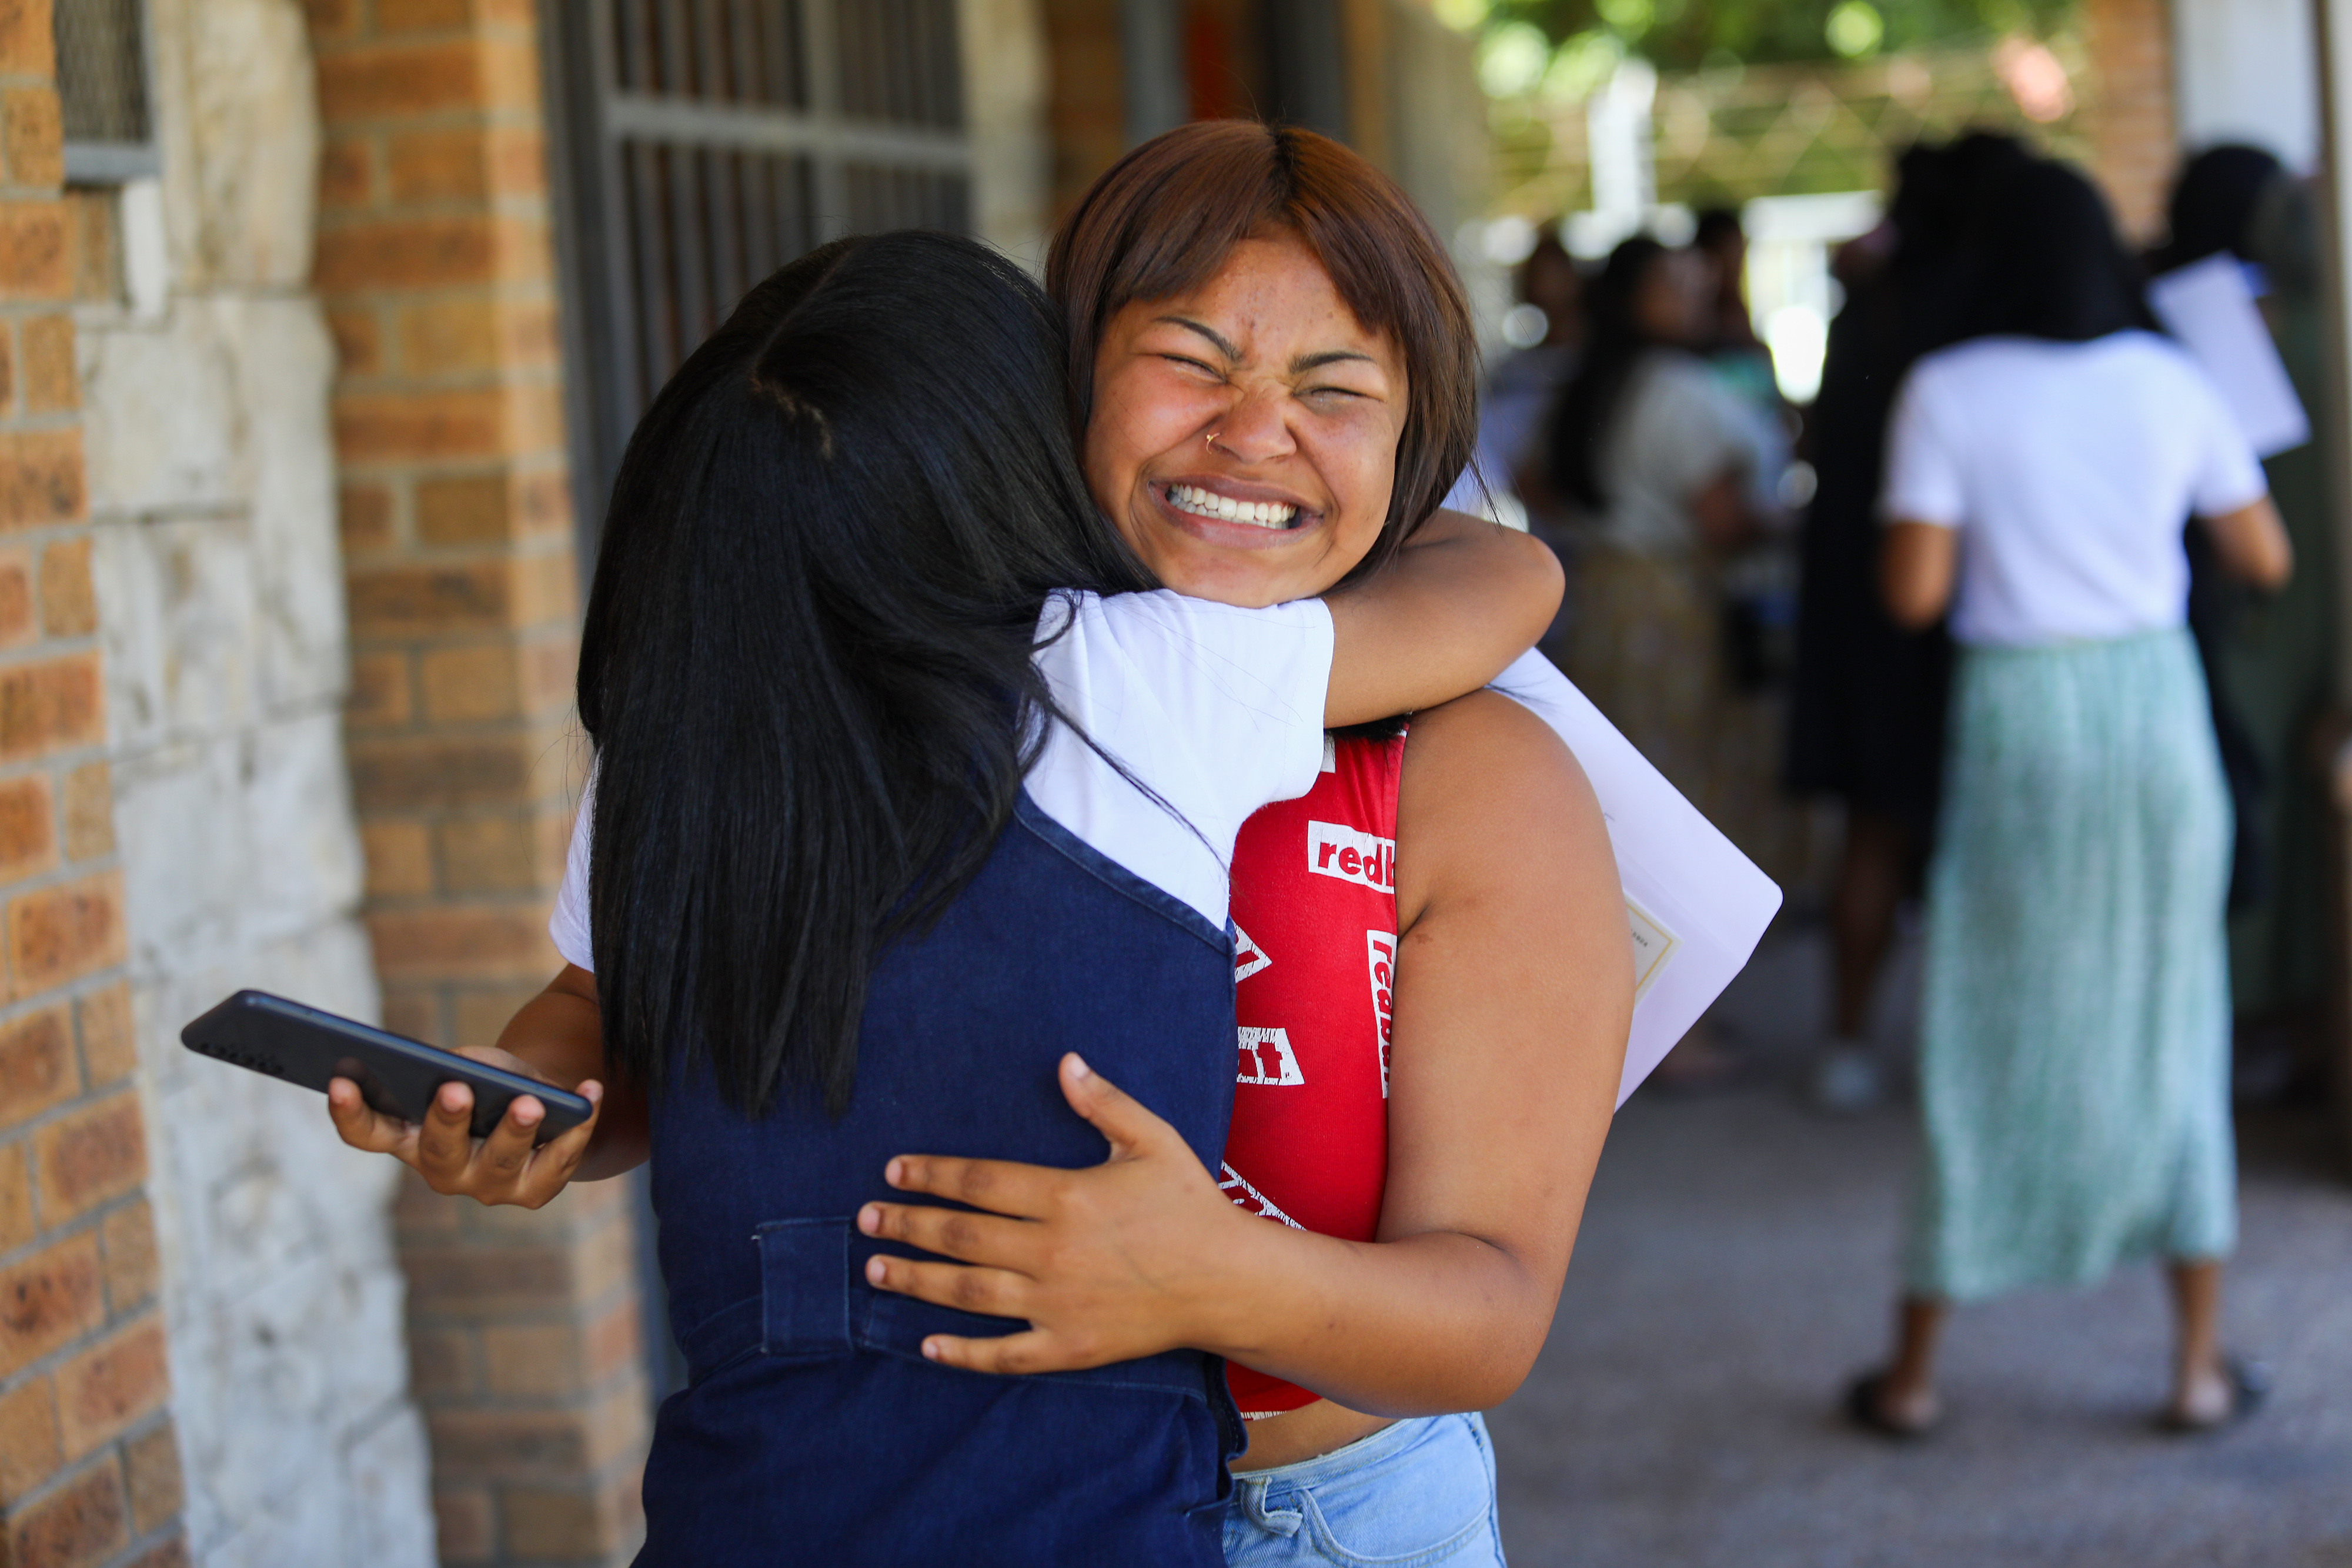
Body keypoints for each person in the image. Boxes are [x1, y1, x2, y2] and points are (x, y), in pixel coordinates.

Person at [325, 230, 1561, 1565]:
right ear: (1015, 470)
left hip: (821, 1506)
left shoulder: (1085, 680)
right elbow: (1507, 579)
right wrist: (530, 1098)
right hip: (969, 1506)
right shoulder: (1123, 673)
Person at [857, 122, 1632, 1567]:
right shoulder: (954, 704)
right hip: (961, 1496)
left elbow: (1487, 1315)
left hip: (1315, 1520)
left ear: (1410, 448)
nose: (1255, 430)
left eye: (1333, 389)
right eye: (1191, 360)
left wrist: (1208, 1277)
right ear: (1066, 378)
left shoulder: (1469, 779)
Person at [1853, 159, 2293, 1437]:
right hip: (2155, 715)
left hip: (2018, 714)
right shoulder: (2170, 381)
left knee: (1983, 1019)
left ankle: (1915, 1373)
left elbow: (1911, 594)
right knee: (2172, 1020)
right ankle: (2197, 1367)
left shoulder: (1944, 388)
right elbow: (2259, 554)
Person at [1785, 133, 2032, 1112]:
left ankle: (1844, 1042)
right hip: (1966, 607)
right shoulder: (1985, 316)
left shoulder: (1866, 306)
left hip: (1851, 595)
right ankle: (1982, 1055)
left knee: (1873, 830)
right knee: (1986, 834)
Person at [2149, 146, 2341, 1098]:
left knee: (2246, 808)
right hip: (2296, 610)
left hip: (2238, 615)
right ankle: (2306, 1026)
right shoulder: (2298, 328)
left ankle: (2245, 1023)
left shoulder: (2207, 330)